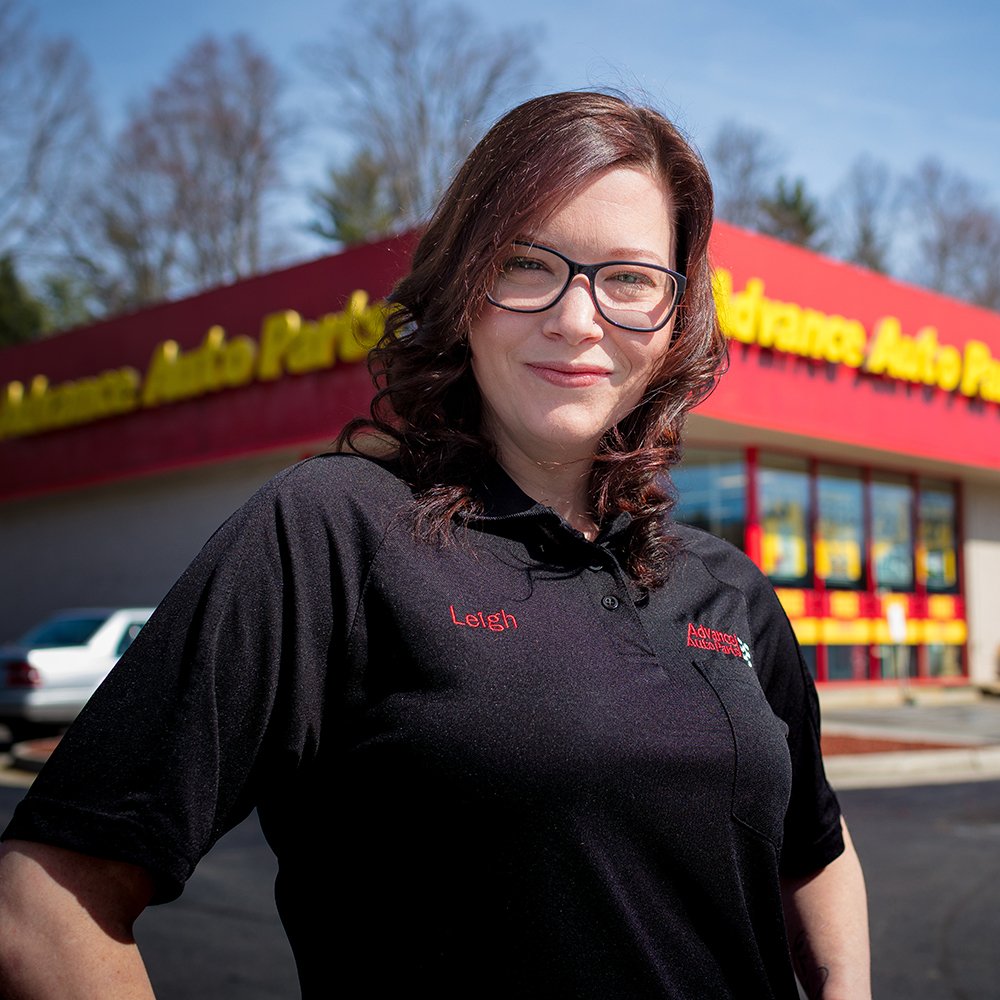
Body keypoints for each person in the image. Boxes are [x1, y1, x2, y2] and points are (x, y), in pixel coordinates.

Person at [0, 91, 870, 999]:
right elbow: (43, 903)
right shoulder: (335, 532)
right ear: (463, 287)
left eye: (630, 278)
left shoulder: (727, 586)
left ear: (674, 317)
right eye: (527, 263)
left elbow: (816, 848)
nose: (578, 319)